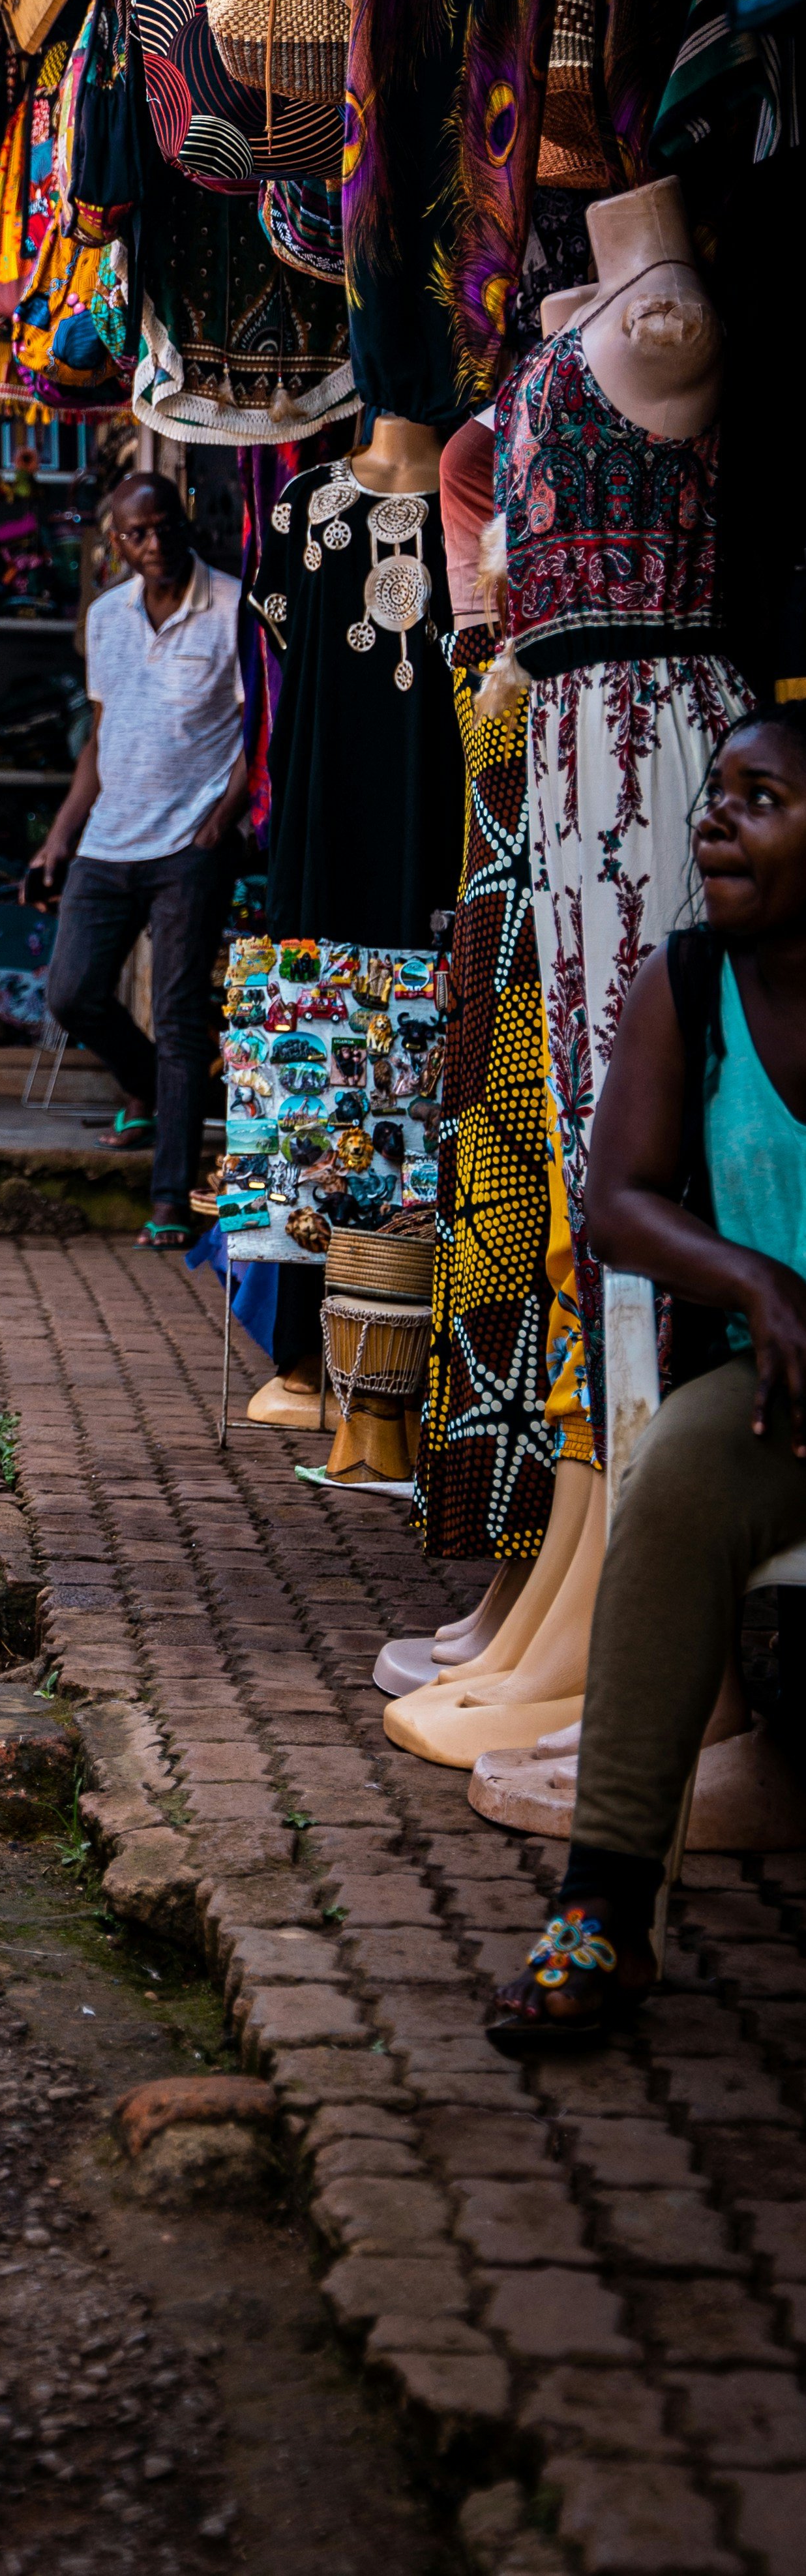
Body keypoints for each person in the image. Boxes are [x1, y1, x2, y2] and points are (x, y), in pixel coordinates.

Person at [490, 706, 806, 2050]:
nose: (713, 817)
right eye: (713, 791)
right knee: (670, 1482)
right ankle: (604, 1907)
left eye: (760, 797)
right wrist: (757, 1281)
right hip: (771, 1397)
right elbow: (614, 1201)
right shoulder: (685, 984)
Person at [25, 470, 250, 1251]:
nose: (153, 544)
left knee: (182, 1016)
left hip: (191, 844)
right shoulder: (107, 616)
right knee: (72, 992)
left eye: (164, 527)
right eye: (136, 533)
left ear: (185, 525)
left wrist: (226, 814)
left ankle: (170, 1199)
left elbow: (262, 727)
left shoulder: (231, 606)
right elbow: (102, 734)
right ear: (115, 540)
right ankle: (156, 1092)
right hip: (110, 838)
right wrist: (60, 836)